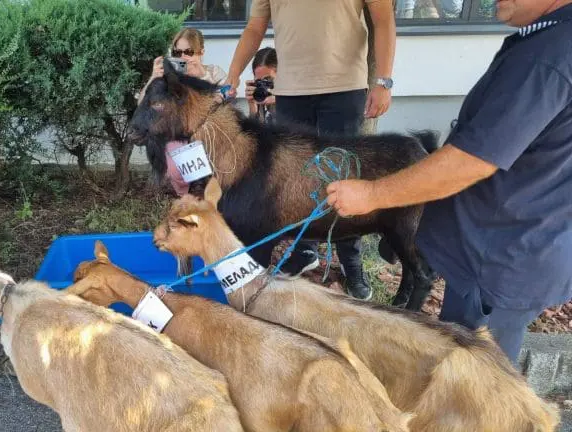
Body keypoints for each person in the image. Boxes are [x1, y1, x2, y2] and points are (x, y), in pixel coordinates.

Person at [325, 0, 572, 364]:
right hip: (513, 245)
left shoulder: (547, 58)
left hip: (499, 259)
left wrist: (372, 193)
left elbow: (471, 161)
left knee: (477, 385)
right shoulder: (550, 42)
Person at [225, 0, 397, 301]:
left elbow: (383, 19)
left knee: (344, 176)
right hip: (291, 93)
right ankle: (305, 250)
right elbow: (254, 28)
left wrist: (383, 81)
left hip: (343, 89)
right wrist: (233, 74)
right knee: (297, 180)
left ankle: (351, 261)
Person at [137, 27, 229, 196]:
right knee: (177, 170)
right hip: (179, 134)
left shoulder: (214, 72)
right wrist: (153, 77)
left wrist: (200, 75)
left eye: (188, 52)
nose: (183, 57)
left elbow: (225, 98)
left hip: (208, 133)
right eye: (177, 52)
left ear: (201, 52)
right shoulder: (168, 78)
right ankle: (187, 197)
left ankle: (211, 199)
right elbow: (142, 103)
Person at [245, 47, 277, 123]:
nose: (263, 85)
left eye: (268, 80)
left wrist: (281, 101)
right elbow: (252, 133)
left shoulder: (293, 96)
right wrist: (252, 106)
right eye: (259, 81)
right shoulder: (259, 95)